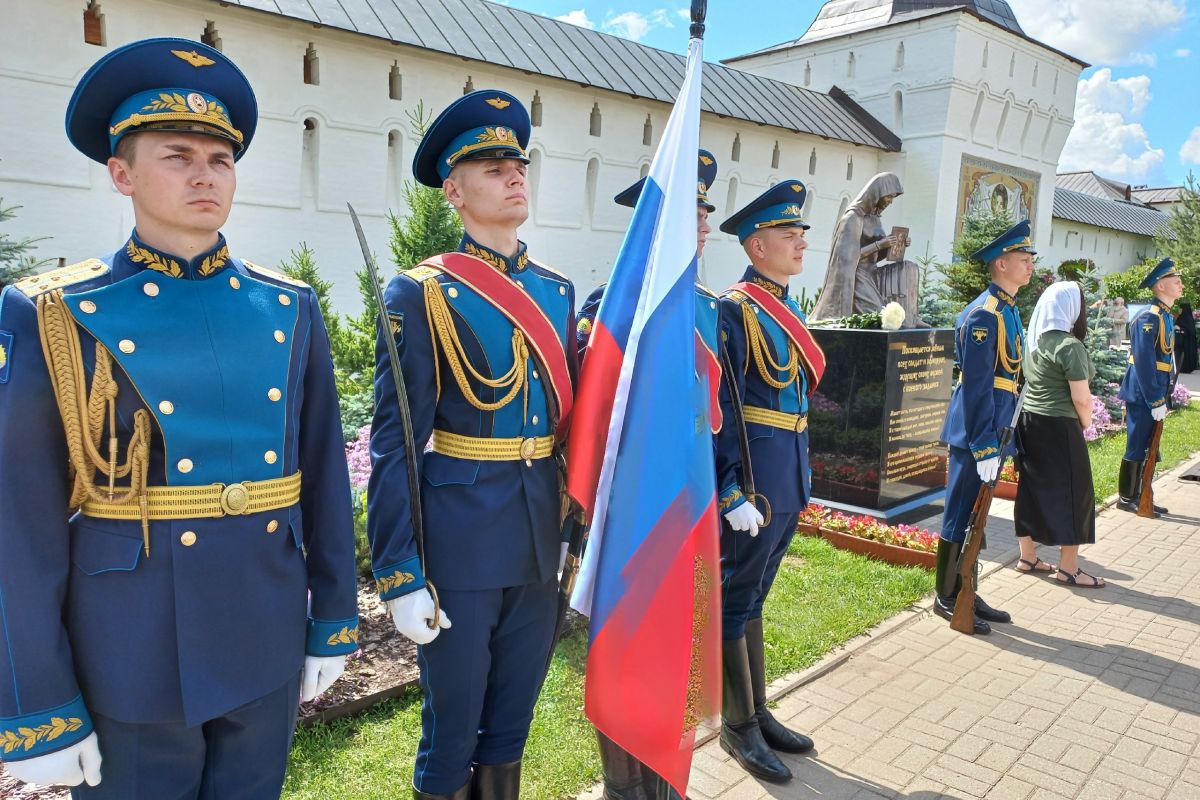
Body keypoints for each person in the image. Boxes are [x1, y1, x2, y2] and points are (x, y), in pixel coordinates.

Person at [0, 38, 359, 797]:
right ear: (121, 174)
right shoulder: (55, 313)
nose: (205, 174)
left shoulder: (286, 306)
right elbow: (17, 526)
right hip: (130, 651)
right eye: (177, 155)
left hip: (263, 636)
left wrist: (332, 616)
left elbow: (324, 475)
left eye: (220, 158)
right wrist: (38, 707)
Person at [367, 89, 577, 800]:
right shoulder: (421, 293)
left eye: (517, 163)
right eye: (492, 167)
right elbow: (396, 442)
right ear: (454, 190)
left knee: (512, 721)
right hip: (460, 540)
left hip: (538, 531)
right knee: (453, 724)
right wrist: (398, 571)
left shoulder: (556, 292)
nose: (514, 174)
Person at [575, 150, 722, 800]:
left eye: (705, 213)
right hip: (632, 517)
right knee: (625, 655)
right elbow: (596, 418)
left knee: (673, 655)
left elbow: (715, 416)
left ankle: (660, 783)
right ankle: (621, 786)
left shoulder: (706, 309)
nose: (704, 225)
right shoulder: (613, 309)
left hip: (685, 511)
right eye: (690, 212)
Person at [713, 180, 826, 784]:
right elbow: (722, 406)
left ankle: (757, 708)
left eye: (802, 232)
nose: (800, 241)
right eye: (789, 233)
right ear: (757, 246)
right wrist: (729, 490)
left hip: (788, 466)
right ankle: (737, 725)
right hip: (755, 476)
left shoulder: (783, 304)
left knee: (756, 593)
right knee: (736, 594)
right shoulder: (734, 308)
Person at [937, 220, 1035, 634]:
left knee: (976, 515)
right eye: (1024, 259)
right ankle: (947, 596)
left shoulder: (1008, 311)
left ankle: (967, 590)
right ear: (1001, 263)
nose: (1030, 265)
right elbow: (977, 387)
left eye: (1031, 259)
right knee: (960, 515)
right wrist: (982, 446)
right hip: (975, 433)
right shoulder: (985, 314)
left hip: (995, 428)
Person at [1013, 282, 1104, 587]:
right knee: (1076, 494)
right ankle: (1069, 568)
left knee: (1030, 488)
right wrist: (1087, 422)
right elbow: (1081, 398)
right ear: (1071, 309)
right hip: (1059, 425)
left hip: (1029, 421)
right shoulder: (1069, 346)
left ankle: (1027, 556)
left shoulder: (1033, 341)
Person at [809, 172, 924, 328]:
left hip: (872, 272)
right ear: (877, 193)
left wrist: (894, 245)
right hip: (857, 276)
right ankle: (902, 323)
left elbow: (875, 257)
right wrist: (880, 244)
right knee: (879, 315)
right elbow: (847, 259)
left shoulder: (874, 218)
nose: (890, 202)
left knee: (909, 267)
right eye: (888, 197)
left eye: (893, 198)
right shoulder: (852, 218)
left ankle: (910, 318)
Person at [1117, 258, 1184, 516]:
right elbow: (1144, 361)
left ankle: (1144, 494)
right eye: (1175, 281)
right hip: (1143, 392)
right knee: (1137, 445)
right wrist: (1155, 399)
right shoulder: (1149, 317)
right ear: (1160, 286)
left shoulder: (1164, 315)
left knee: (1150, 446)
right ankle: (1126, 497)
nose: (1180, 284)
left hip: (1155, 391)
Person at [1176, 300, 1197, 373]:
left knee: (1186, 354)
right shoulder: (1180, 317)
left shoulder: (1188, 319)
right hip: (1180, 341)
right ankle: (1180, 368)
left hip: (1187, 342)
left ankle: (1187, 368)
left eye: (1181, 308)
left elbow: (1190, 331)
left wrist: (1180, 328)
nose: (1179, 310)